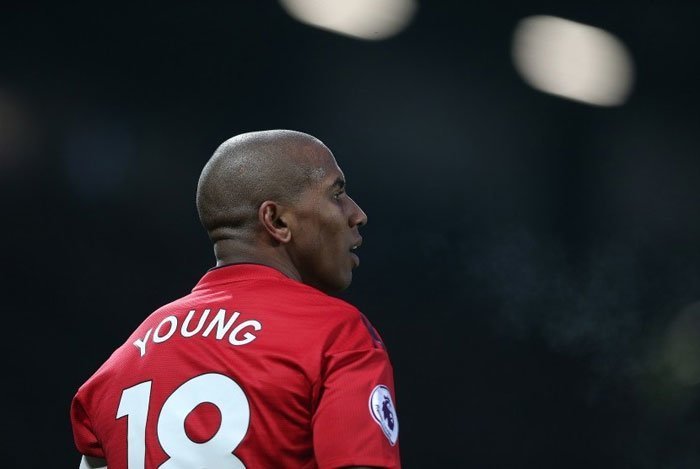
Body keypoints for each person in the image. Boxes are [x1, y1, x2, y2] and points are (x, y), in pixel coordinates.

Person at [70, 129, 400, 468]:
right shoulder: (335, 335)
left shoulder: (118, 368)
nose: (357, 214)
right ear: (276, 220)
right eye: (337, 194)